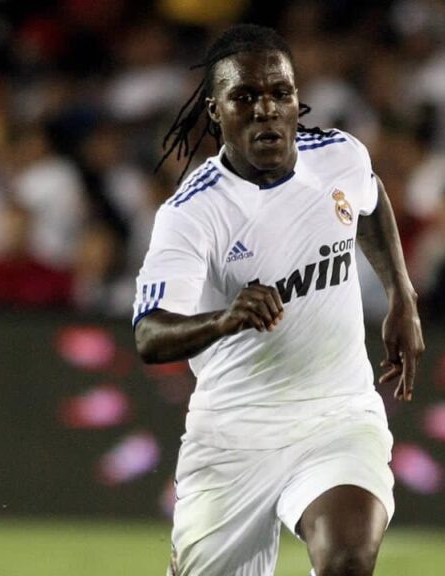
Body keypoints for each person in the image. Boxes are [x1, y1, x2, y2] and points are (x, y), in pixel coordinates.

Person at [131, 24, 424, 576]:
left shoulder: (339, 157)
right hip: (233, 432)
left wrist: (400, 295)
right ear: (216, 111)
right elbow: (149, 335)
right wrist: (224, 319)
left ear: (296, 100)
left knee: (348, 560)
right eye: (245, 97)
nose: (266, 109)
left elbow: (370, 199)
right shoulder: (192, 213)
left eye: (279, 93)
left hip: (337, 414)